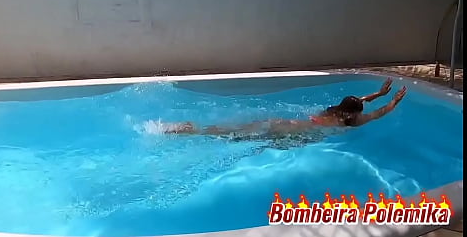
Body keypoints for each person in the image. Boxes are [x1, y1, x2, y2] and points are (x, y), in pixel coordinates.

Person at [163, 78, 407, 137]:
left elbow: (359, 101)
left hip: (284, 121)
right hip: (292, 133)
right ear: (354, 114)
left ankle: (194, 128)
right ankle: (194, 132)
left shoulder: (336, 110)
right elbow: (378, 113)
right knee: (238, 138)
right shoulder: (350, 121)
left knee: (236, 130)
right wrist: (393, 99)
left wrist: (379, 92)